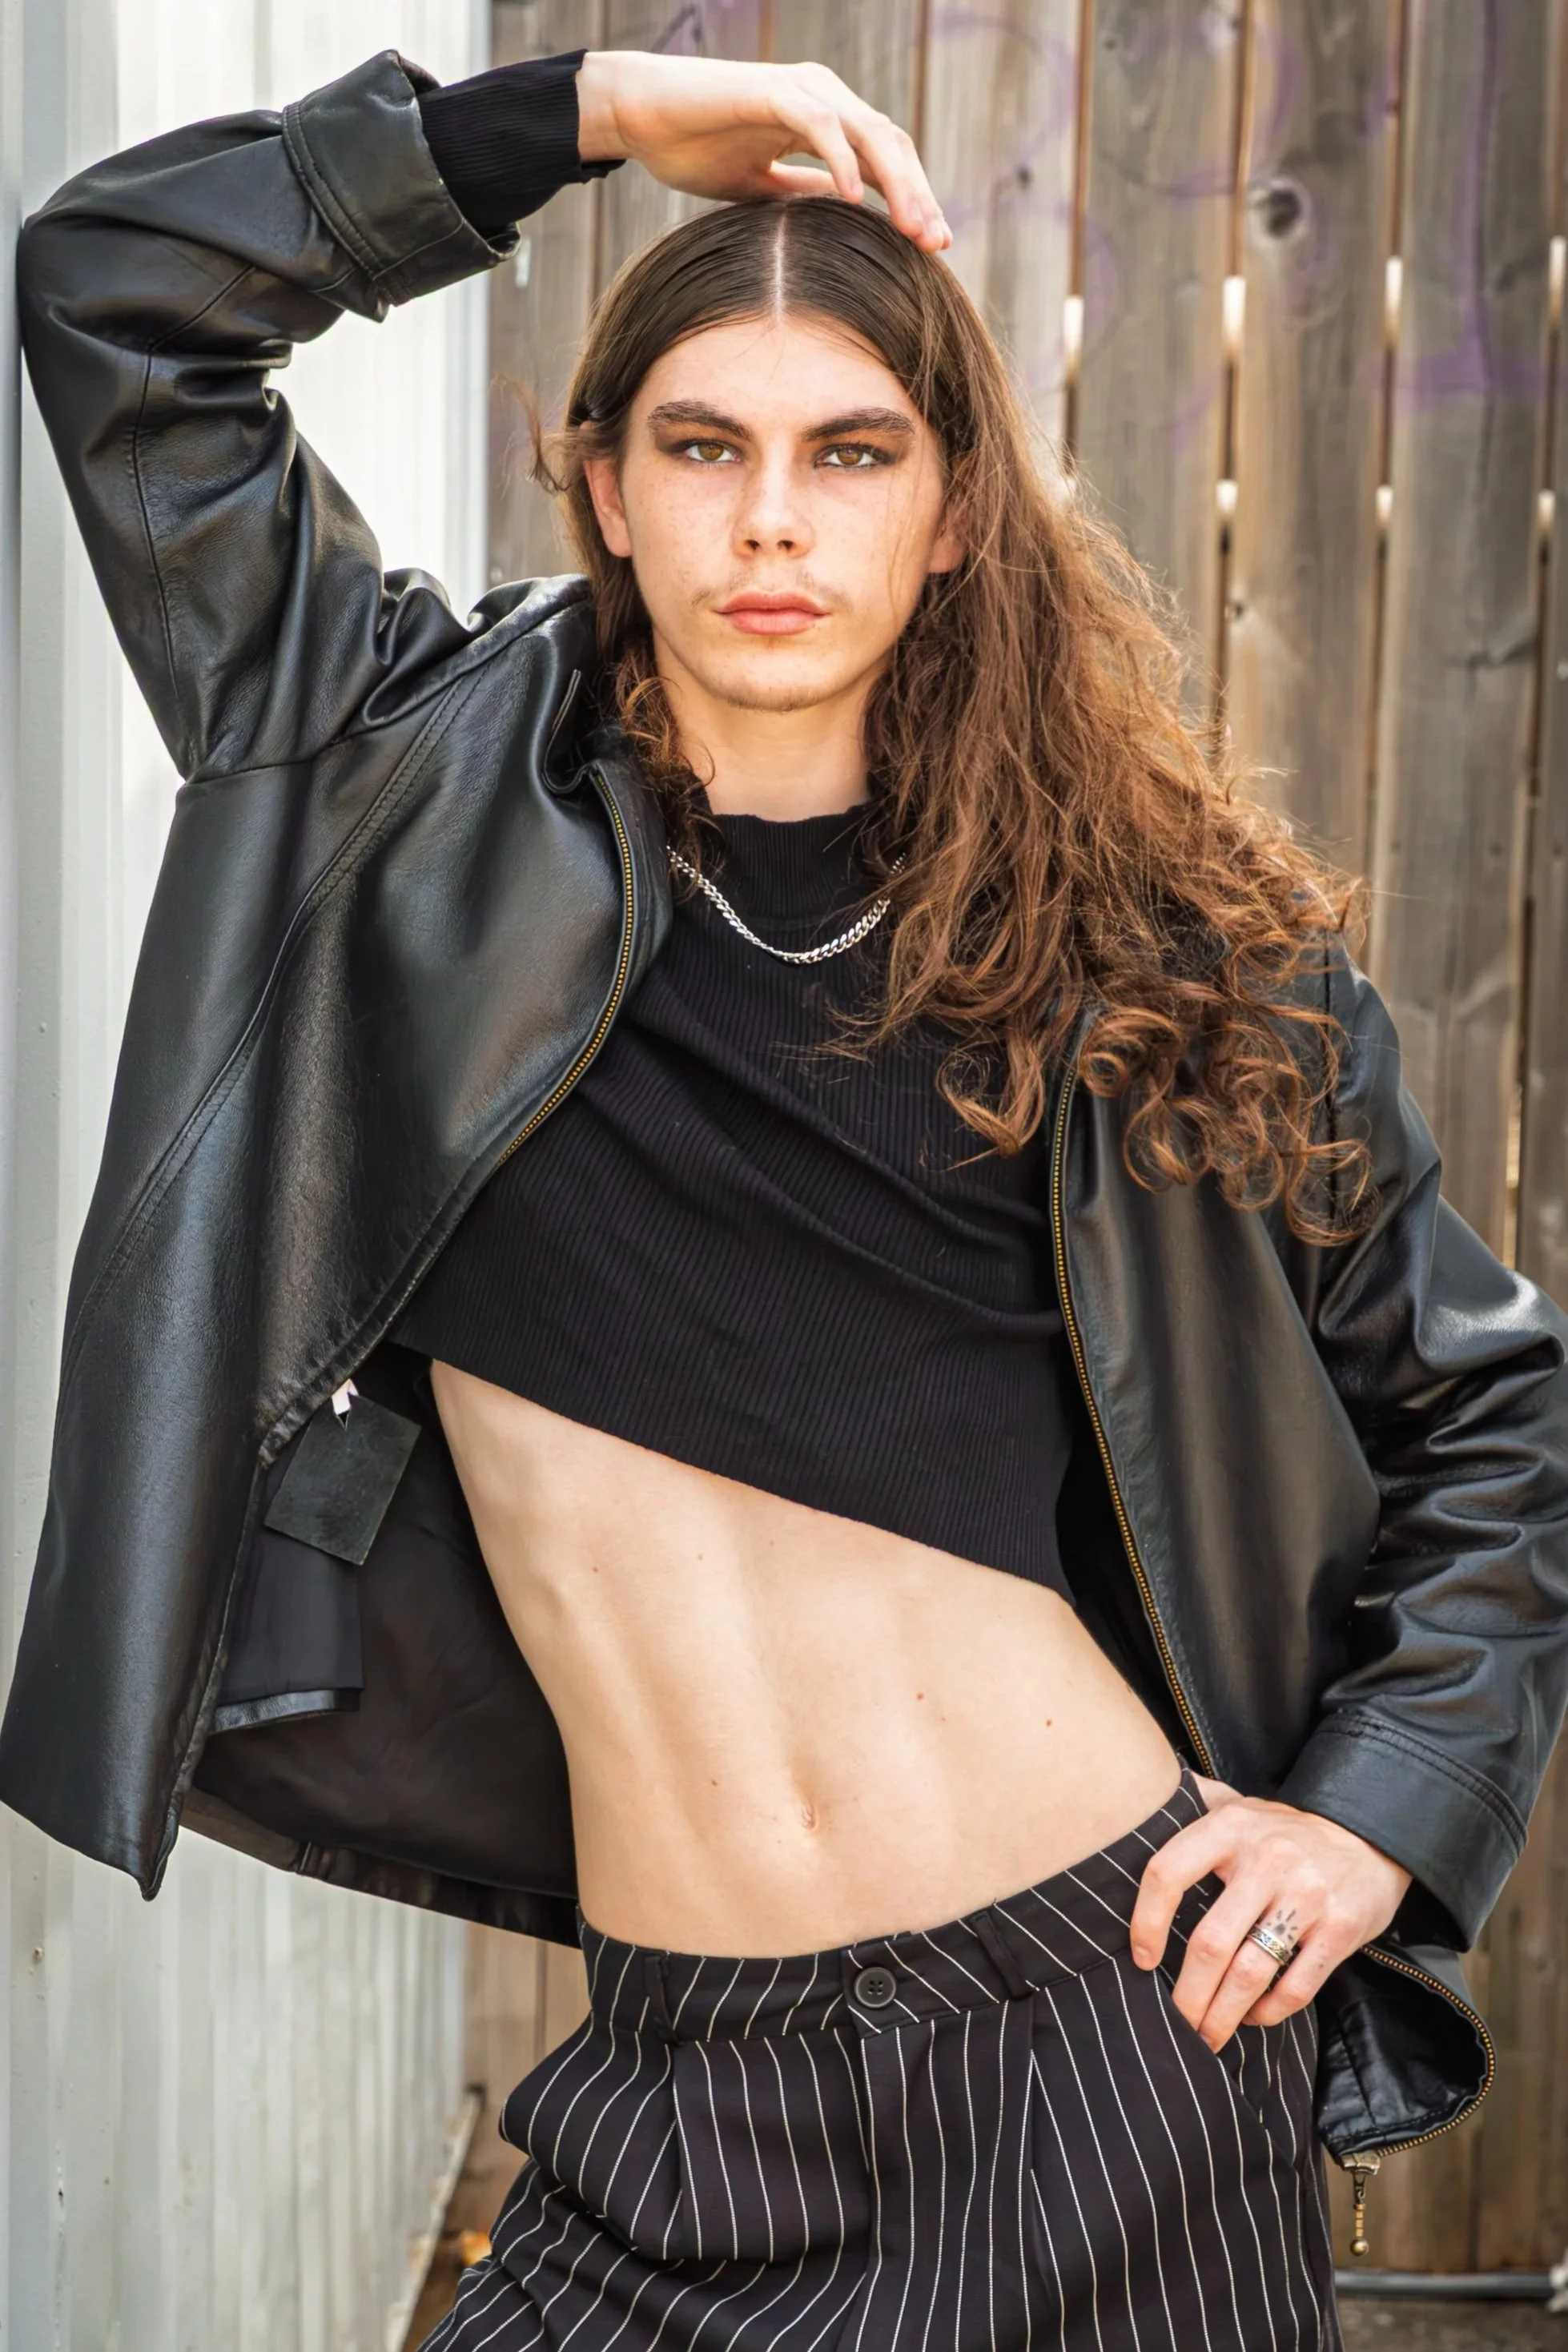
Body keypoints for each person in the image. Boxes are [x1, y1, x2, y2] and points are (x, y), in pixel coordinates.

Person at [3, 39, 1566, 2352]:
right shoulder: (388, 796)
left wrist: (1380, 1802)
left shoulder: (1159, 962)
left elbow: (1489, 1424)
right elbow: (118, 293)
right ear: (602, 487)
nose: (769, 523)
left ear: (949, 515)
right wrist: (601, 112)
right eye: (702, 449)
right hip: (672, 2083)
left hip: (1104, 2038)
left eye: (850, 456)